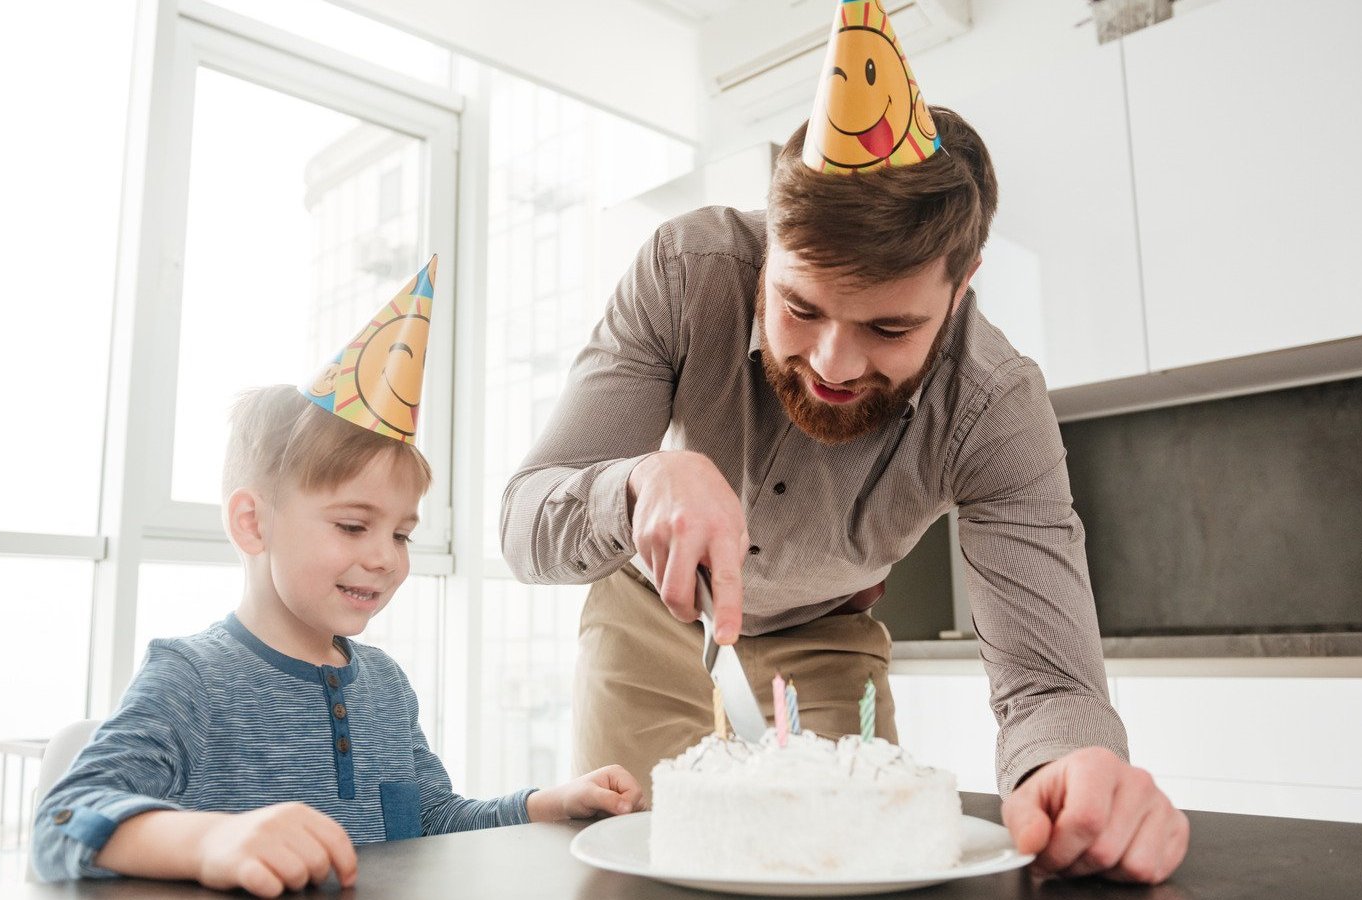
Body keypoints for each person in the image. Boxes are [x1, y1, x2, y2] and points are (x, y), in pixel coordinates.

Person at [500, 0, 1187, 884]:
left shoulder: (996, 407)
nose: (830, 362)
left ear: (964, 281)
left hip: (830, 630)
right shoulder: (685, 273)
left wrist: (1073, 769)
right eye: (799, 306)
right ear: (770, 242)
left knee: (849, 866)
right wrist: (634, 484)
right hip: (651, 612)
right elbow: (524, 523)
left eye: (890, 328)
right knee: (646, 870)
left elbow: (1050, 686)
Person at [34, 260, 640, 897]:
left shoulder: (384, 686)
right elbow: (63, 820)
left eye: (402, 533)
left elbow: (429, 822)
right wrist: (211, 839)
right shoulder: (190, 679)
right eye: (353, 526)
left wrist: (542, 804)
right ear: (252, 523)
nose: (386, 558)